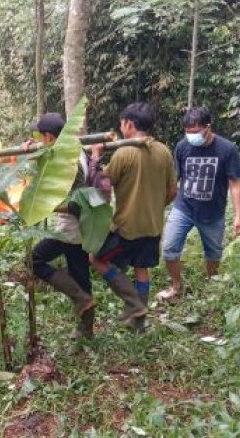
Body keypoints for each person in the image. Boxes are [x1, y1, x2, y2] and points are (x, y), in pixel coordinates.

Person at [90, 102, 178, 329]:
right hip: (152, 225)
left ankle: (133, 304)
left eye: (122, 123)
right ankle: (138, 323)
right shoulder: (163, 151)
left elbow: (102, 186)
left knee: (97, 259)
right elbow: (172, 191)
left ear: (129, 124)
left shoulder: (124, 153)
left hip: (126, 227)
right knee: (141, 269)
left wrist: (95, 158)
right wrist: (156, 206)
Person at [157, 107, 240, 300]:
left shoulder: (227, 149)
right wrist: (160, 203)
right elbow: (175, 179)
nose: (191, 136)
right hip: (184, 208)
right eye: (187, 132)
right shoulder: (182, 147)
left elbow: (235, 184)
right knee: (169, 249)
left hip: (213, 214)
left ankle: (211, 286)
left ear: (208, 127)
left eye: (195, 132)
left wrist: (238, 216)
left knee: (213, 254)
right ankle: (176, 286)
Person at [26, 113, 96, 339]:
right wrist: (34, 152)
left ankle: (81, 299)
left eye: (42, 137)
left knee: (34, 259)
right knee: (80, 272)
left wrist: (49, 207)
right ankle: (87, 329)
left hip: (71, 225)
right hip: (82, 224)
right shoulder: (75, 150)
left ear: (49, 136)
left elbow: (75, 202)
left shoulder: (68, 160)